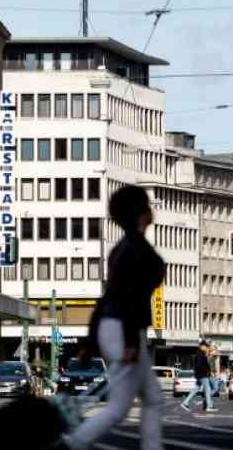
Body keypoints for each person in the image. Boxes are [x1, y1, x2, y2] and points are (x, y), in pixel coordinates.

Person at [55, 186, 166, 450]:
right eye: (148, 204)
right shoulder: (136, 250)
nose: (152, 209)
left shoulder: (121, 249)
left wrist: (90, 342)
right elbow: (132, 298)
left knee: (152, 397)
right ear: (140, 214)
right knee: (118, 408)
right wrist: (130, 342)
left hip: (116, 326)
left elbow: (106, 298)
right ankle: (72, 443)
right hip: (124, 329)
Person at [180, 341, 217, 413]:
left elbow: (198, 365)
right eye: (206, 347)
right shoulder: (200, 354)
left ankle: (185, 403)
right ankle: (209, 406)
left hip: (200, 374)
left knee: (196, 389)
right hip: (203, 375)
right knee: (207, 389)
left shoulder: (200, 353)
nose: (207, 348)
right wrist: (207, 370)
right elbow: (199, 365)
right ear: (202, 346)